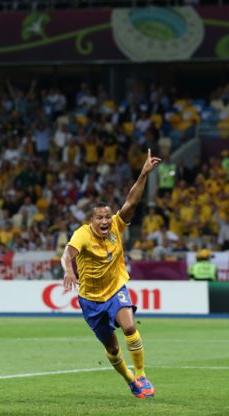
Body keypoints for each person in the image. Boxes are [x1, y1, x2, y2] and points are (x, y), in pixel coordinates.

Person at [61, 148, 160, 399]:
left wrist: (144, 174)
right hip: (91, 299)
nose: (105, 221)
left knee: (128, 326)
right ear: (91, 220)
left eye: (107, 216)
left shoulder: (117, 224)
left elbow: (132, 201)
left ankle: (141, 374)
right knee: (112, 348)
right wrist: (68, 270)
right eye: (99, 218)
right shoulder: (82, 234)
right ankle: (130, 381)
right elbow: (67, 254)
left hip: (116, 288)